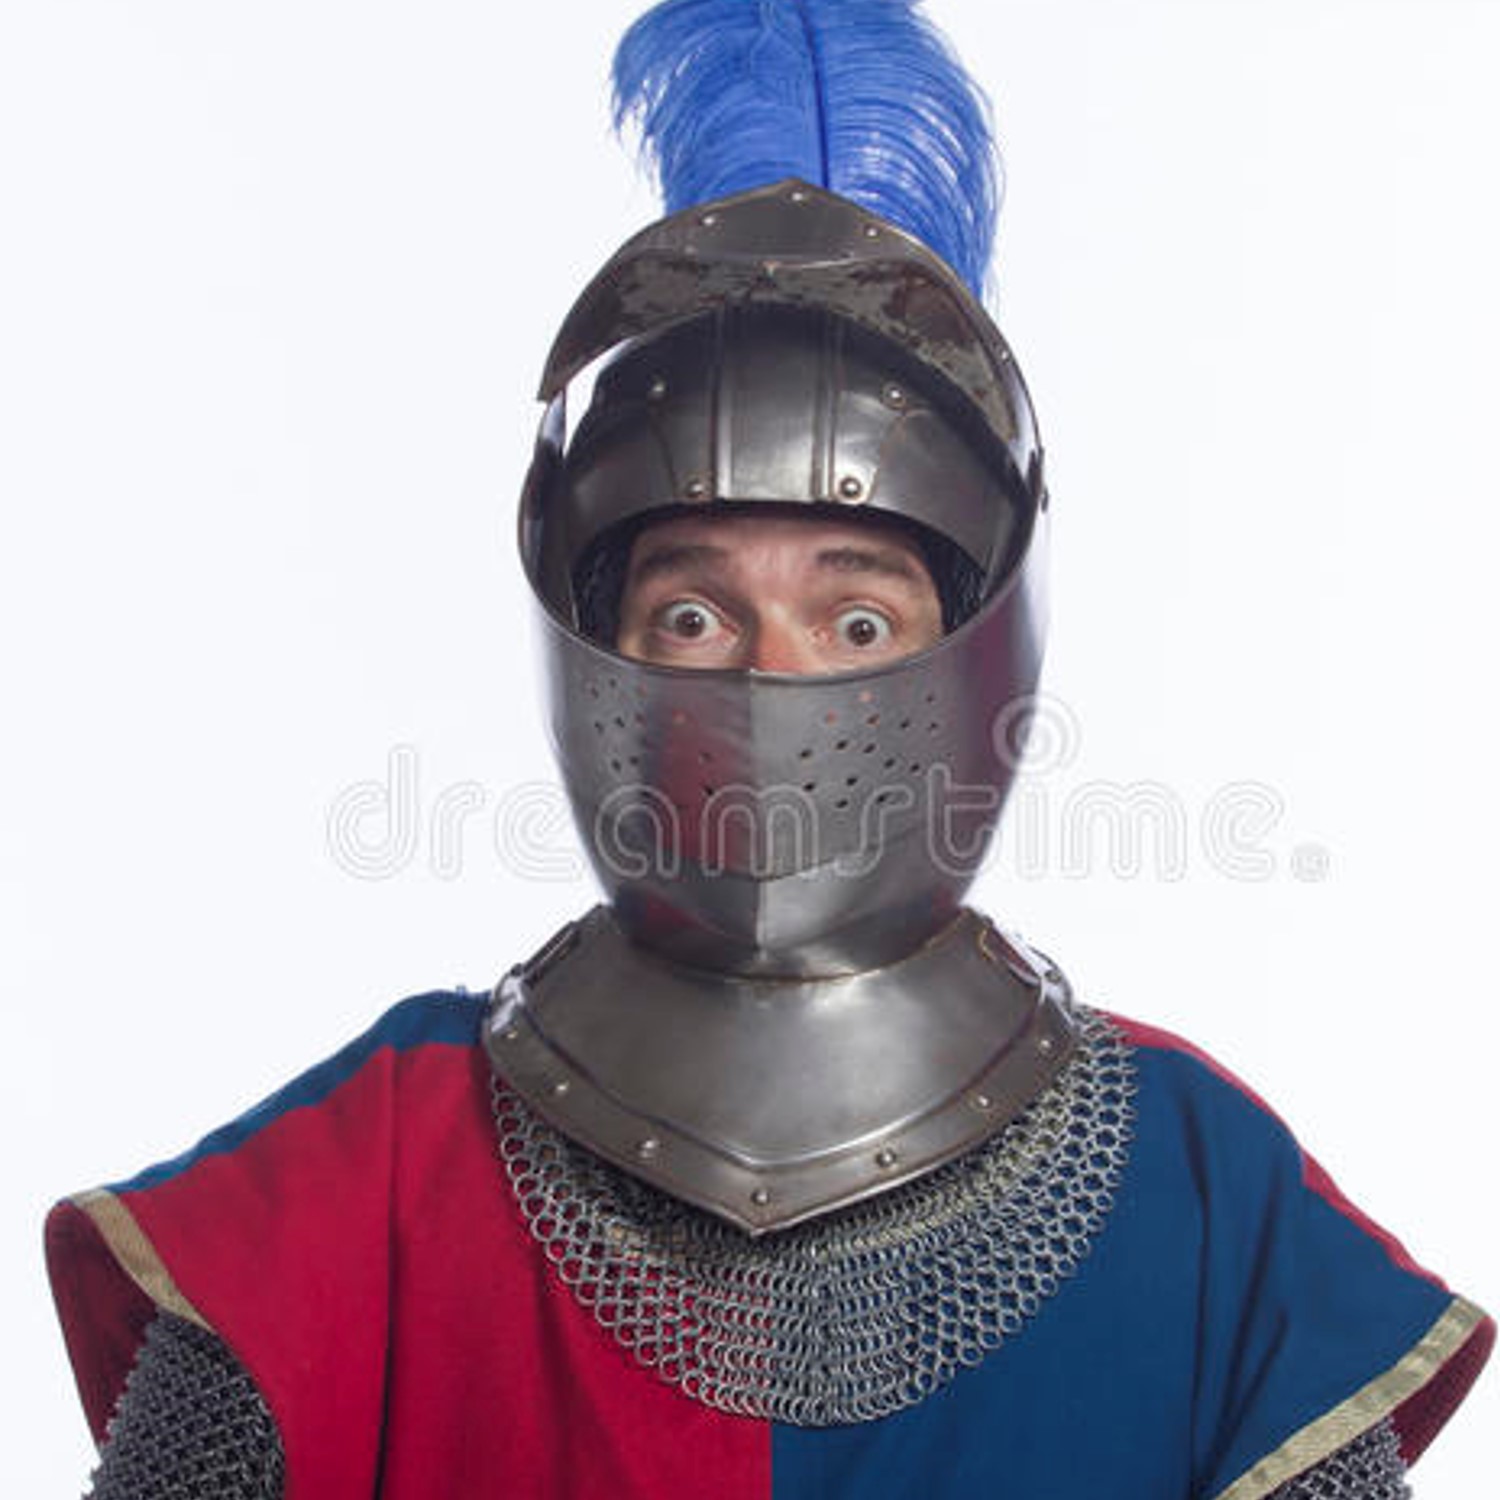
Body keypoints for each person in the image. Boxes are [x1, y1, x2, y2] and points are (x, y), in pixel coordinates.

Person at [44, 2, 1490, 1496]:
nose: (766, 686)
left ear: (982, 648)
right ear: (588, 648)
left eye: (855, 622)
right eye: (691, 615)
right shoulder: (371, 1175)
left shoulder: (1199, 1196)